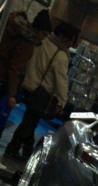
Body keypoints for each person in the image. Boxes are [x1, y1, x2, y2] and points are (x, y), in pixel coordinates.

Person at [4, 21, 79, 162]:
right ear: (63, 37)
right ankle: (12, 149)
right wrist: (62, 101)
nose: (71, 45)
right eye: (71, 41)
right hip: (42, 94)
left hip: (29, 87)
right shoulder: (60, 55)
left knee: (30, 121)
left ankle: (27, 151)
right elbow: (61, 81)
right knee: (28, 123)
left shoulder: (42, 42)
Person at [0, 9, 52, 131]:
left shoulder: (13, 29)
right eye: (45, 34)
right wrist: (11, 95)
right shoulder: (27, 42)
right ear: (39, 31)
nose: (44, 38)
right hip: (3, 81)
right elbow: (15, 69)